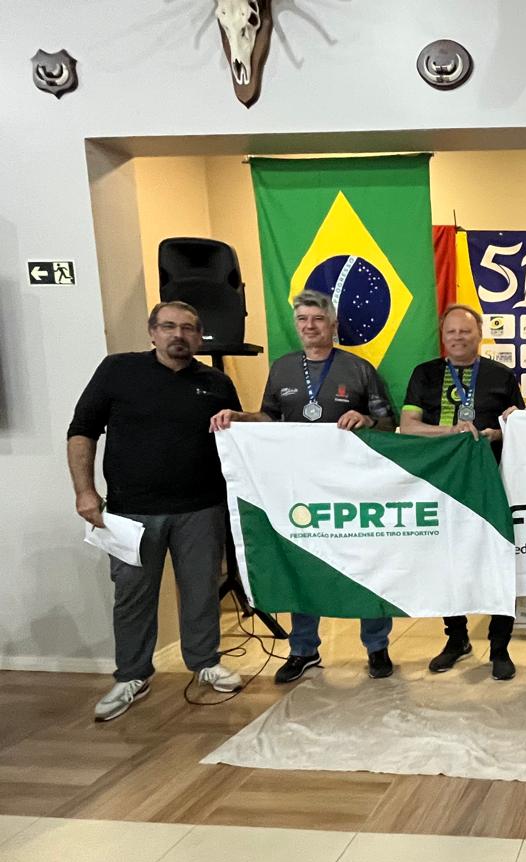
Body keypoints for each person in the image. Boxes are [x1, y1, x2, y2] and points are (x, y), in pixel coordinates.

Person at [68, 302, 244, 721]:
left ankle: (204, 662)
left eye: (188, 328)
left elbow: (239, 435)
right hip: (130, 512)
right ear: (152, 332)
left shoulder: (217, 383)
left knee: (201, 591)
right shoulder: (117, 370)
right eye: (168, 326)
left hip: (201, 508)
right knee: (132, 596)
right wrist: (85, 492)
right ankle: (132, 675)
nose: (178, 335)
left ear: (199, 337)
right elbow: (82, 430)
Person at [210, 290, 396, 683]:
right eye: (303, 319)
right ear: (296, 325)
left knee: (367, 564)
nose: (310, 326)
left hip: (353, 487)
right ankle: (303, 649)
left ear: (333, 325)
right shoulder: (282, 369)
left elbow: (388, 422)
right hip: (299, 487)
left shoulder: (359, 369)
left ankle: (377, 647)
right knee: (302, 564)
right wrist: (239, 418)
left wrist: (365, 419)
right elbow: (269, 417)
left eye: (317, 319)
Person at [401, 303, 526, 680]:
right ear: (443, 335)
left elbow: (520, 428)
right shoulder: (424, 373)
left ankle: (500, 647)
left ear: (479, 334)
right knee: (446, 563)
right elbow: (409, 426)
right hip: (440, 483)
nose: (458, 337)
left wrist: (497, 434)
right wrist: (451, 432)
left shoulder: (501, 375)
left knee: (499, 561)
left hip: (492, 484)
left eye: (465, 331)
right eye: (451, 331)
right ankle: (456, 639)